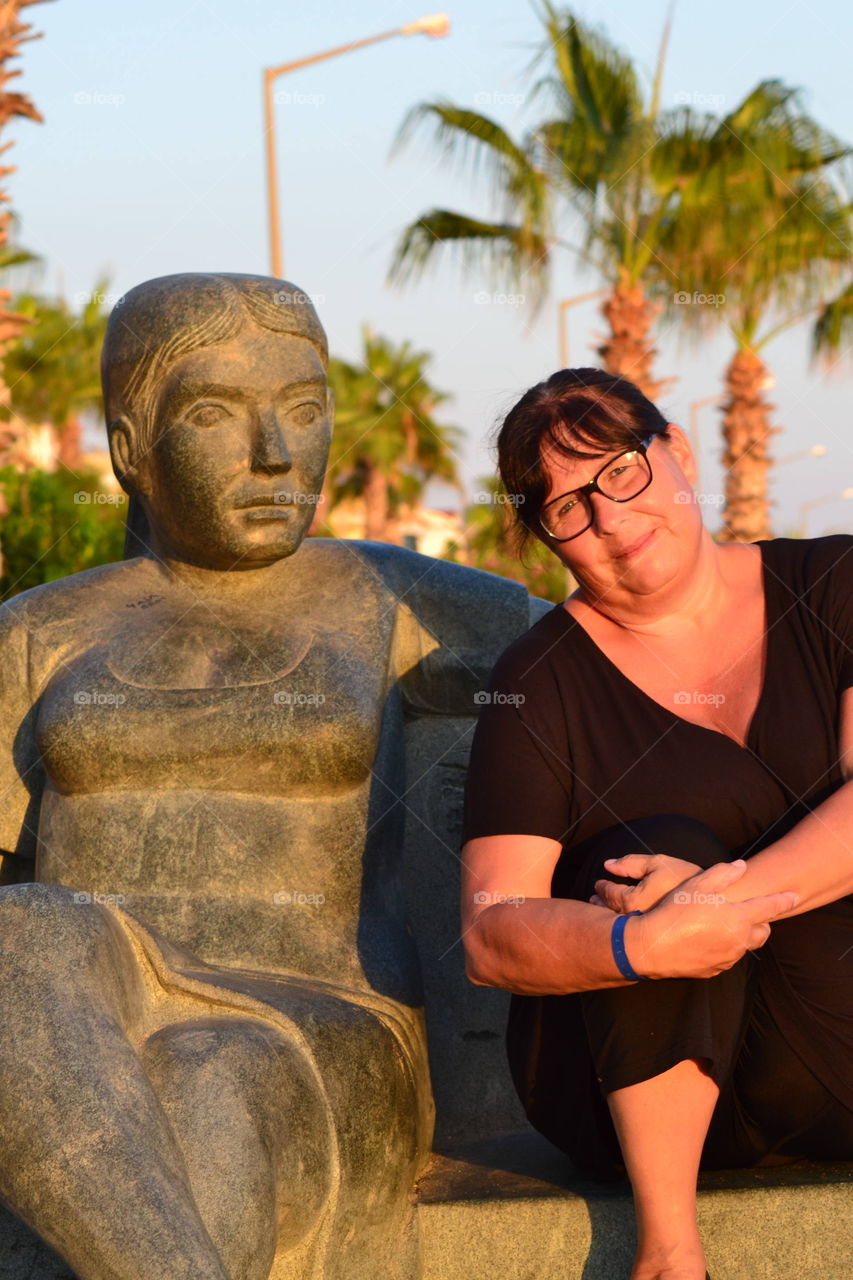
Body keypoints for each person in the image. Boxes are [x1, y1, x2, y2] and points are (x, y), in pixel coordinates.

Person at [0, 272, 543, 1280]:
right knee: (23, 930)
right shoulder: (37, 630)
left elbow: (635, 663)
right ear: (129, 448)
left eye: (304, 409)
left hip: (318, 1014)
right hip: (82, 1016)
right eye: (216, 413)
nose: (277, 454)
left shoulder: (401, 594)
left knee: (209, 1082)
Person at [460, 368, 853, 1280]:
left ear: (675, 452)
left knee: (680, 873)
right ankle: (669, 1254)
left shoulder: (833, 582)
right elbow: (490, 931)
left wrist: (713, 905)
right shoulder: (537, 683)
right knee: (637, 867)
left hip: (836, 1045)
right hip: (622, 1088)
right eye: (565, 509)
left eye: (620, 472)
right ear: (545, 538)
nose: (608, 519)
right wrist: (646, 940)